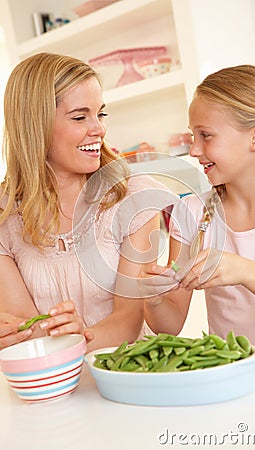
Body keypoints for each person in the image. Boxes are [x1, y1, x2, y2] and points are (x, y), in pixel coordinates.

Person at [0, 52, 171, 351]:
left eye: (100, 114)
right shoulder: (4, 216)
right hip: (48, 383)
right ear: (34, 126)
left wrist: (80, 337)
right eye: (80, 117)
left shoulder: (131, 199)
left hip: (124, 374)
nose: (99, 129)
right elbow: (26, 329)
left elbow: (129, 321)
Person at [140, 64, 255, 373]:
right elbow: (167, 328)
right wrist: (155, 298)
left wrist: (246, 272)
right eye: (192, 136)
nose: (194, 149)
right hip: (227, 383)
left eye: (206, 136)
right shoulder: (191, 213)